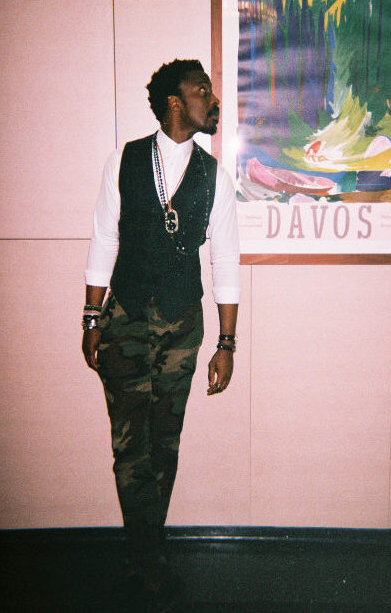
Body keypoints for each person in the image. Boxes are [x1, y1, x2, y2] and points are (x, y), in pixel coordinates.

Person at [82, 59, 239, 610]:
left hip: (181, 327)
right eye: (203, 90)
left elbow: (225, 259)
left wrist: (227, 343)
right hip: (124, 321)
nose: (212, 100)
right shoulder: (124, 160)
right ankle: (147, 560)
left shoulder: (214, 175)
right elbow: (104, 238)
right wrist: (91, 317)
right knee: (130, 448)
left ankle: (144, 554)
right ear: (175, 101)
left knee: (164, 445)